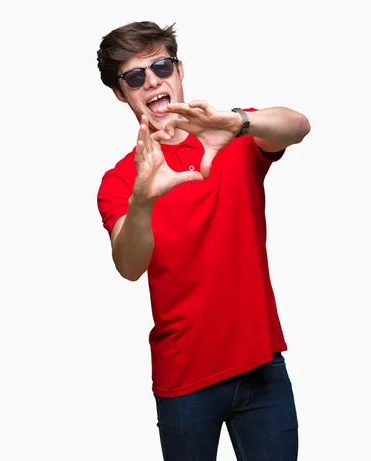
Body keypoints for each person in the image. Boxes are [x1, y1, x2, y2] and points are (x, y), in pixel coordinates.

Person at [95, 21, 310, 461]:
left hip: (261, 366)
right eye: (135, 76)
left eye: (160, 66)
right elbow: (129, 265)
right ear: (121, 94)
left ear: (179, 70)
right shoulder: (120, 181)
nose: (152, 80)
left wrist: (238, 122)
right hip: (184, 380)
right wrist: (142, 201)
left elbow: (299, 125)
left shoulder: (229, 132)